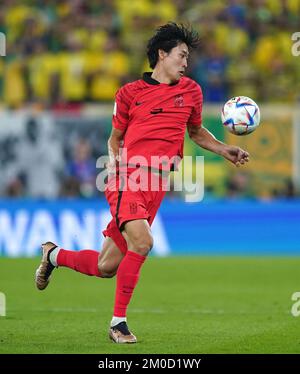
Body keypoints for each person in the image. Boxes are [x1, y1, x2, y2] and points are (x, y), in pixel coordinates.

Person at [35, 23, 249, 344]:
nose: (185, 62)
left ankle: (52, 255)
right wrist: (116, 166)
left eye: (187, 57)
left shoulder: (191, 91)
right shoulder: (129, 94)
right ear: (162, 55)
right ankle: (117, 324)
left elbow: (195, 132)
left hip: (157, 184)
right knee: (143, 243)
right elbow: (115, 138)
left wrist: (224, 149)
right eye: (181, 55)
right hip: (127, 177)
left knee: (107, 266)